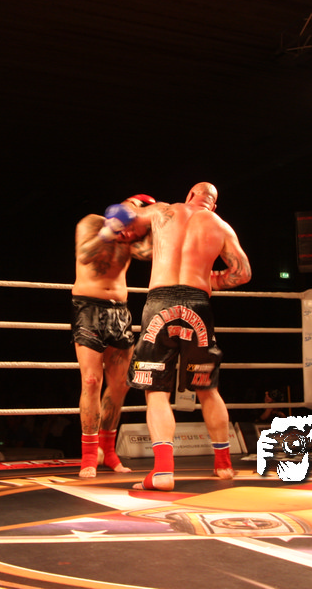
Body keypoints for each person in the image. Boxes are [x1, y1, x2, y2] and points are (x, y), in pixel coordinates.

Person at [119, 182, 252, 491]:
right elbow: (242, 273)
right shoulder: (221, 225)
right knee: (207, 388)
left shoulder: (164, 210)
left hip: (160, 302)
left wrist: (134, 202)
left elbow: (121, 217)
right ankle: (223, 464)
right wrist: (208, 279)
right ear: (213, 205)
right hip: (198, 304)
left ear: (190, 195)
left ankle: (163, 471)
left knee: (156, 390)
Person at [72, 193, 155, 478]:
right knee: (91, 381)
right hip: (88, 308)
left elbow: (150, 253)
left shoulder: (134, 239)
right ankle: (88, 456)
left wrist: (156, 225)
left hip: (120, 311)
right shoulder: (91, 223)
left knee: (120, 385)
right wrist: (111, 229)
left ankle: (107, 451)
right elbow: (84, 255)